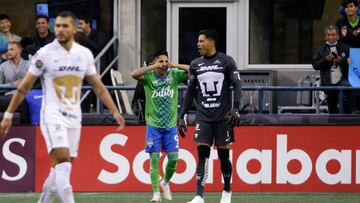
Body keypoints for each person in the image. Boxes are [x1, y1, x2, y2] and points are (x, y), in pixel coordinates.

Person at [0, 11, 125, 203]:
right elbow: (24, 86)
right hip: (52, 115)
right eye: (57, 26)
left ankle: (44, 200)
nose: (59, 29)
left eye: (64, 26)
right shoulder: (45, 54)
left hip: (74, 117)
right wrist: (8, 114)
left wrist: (115, 111)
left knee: (61, 165)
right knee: (64, 162)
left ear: (75, 29)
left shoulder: (84, 54)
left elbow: (98, 87)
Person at [178, 29, 242, 203]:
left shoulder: (227, 61)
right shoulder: (195, 64)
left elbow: (237, 85)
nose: (197, 44)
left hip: (223, 118)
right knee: (202, 154)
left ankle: (227, 191)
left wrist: (235, 108)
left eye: (201, 41)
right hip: (203, 117)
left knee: (223, 156)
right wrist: (181, 114)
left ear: (211, 42)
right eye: (198, 41)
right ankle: (199, 196)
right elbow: (190, 92)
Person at [131, 50, 189, 202]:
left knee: (174, 159)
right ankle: (156, 193)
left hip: (170, 126)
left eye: (166, 61)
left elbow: (194, 70)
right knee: (154, 160)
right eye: (161, 61)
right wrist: (152, 67)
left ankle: (165, 182)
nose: (164, 64)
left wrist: (174, 65)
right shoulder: (148, 77)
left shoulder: (174, 75)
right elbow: (134, 74)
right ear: (156, 63)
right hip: (154, 126)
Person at [312, 25, 352, 114]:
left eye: (333, 34)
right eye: (328, 35)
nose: (331, 37)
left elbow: (353, 62)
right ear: (325, 36)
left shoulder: (346, 48)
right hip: (328, 82)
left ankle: (347, 123)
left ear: (338, 36)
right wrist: (325, 60)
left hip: (343, 80)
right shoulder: (320, 50)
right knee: (332, 107)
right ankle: (334, 125)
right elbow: (315, 65)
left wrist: (343, 60)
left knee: (346, 102)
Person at [0, 41, 30, 123]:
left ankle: (26, 130)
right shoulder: (2, 66)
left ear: (19, 50)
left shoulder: (29, 64)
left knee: (26, 101)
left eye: (11, 49)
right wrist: (11, 84)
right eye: (7, 50)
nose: (8, 52)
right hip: (7, 97)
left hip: (24, 97)